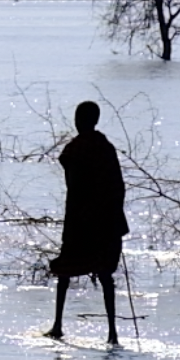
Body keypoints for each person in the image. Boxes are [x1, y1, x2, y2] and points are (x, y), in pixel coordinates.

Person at [47, 100, 128, 344]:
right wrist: (115, 214)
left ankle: (58, 325)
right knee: (105, 276)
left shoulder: (75, 149)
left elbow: (73, 184)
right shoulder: (106, 148)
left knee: (65, 271)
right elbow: (118, 186)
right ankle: (112, 333)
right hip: (106, 220)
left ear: (80, 120)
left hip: (80, 220)